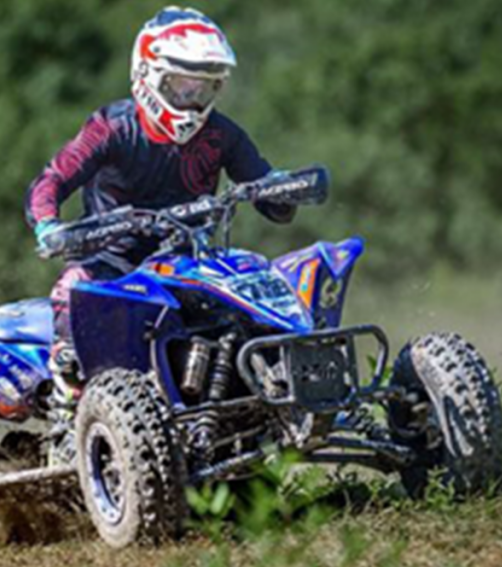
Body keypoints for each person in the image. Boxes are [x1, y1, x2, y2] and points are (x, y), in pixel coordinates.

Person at [23, 6, 297, 456]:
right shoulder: (112, 127)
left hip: (190, 260)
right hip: (110, 263)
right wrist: (49, 225)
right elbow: (51, 180)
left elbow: (271, 201)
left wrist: (281, 188)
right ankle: (67, 415)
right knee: (73, 289)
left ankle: (275, 399)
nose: (193, 98)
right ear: (148, 75)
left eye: (205, 86)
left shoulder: (221, 136)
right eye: (182, 85)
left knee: (255, 289)